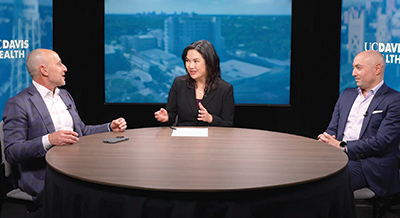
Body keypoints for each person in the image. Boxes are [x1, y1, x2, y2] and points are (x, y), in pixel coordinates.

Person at [2, 49, 127, 207]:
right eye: (59, 64)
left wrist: (109, 127)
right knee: (85, 194)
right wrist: (49, 140)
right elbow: (12, 152)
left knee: (108, 182)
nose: (65, 68)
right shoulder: (19, 103)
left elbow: (81, 132)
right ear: (44, 70)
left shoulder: (64, 96)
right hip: (41, 172)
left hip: (74, 165)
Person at [318, 50, 400, 198]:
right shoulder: (346, 94)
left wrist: (342, 146)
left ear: (377, 69)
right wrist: (326, 140)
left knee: (327, 181)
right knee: (309, 171)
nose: (353, 73)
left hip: (371, 164)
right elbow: (333, 128)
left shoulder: (394, 100)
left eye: (358, 68)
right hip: (340, 156)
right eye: (353, 68)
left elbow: (381, 142)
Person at [154, 40, 234, 126]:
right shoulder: (179, 83)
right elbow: (171, 115)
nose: (191, 66)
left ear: (209, 62)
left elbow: (228, 124)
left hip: (211, 138)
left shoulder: (225, 89)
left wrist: (211, 119)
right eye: (187, 61)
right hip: (183, 137)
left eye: (196, 61)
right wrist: (167, 118)